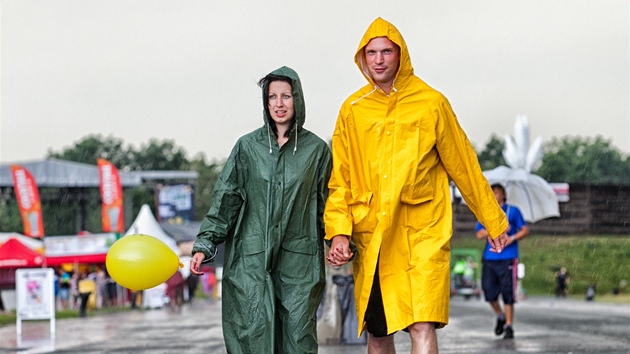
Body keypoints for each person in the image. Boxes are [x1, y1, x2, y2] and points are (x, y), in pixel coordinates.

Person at [324, 17, 509, 354]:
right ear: (362, 58)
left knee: (421, 323)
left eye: (386, 52)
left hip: (422, 232)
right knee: (379, 332)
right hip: (373, 235)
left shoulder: (431, 103)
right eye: (371, 52)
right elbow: (341, 180)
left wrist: (492, 219)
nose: (379, 59)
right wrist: (339, 231)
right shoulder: (352, 110)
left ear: (401, 55)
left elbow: (464, 165)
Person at [190, 66, 332, 353]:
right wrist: (205, 243)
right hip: (250, 263)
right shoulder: (247, 147)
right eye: (272, 97)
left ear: (298, 100)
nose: (279, 104)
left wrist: (340, 239)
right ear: (265, 102)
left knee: (298, 340)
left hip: (299, 265)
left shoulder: (316, 150)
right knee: (252, 338)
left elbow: (329, 206)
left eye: (286, 96)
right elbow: (225, 200)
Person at [475, 183, 529, 339]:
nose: (494, 196)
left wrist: (511, 237)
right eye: (492, 193)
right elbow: (479, 234)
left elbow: (524, 230)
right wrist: (495, 229)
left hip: (507, 258)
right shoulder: (487, 213)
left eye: (497, 193)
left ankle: (509, 325)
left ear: (503, 195)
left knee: (507, 292)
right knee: (489, 291)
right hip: (490, 257)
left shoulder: (513, 211)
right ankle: (500, 315)